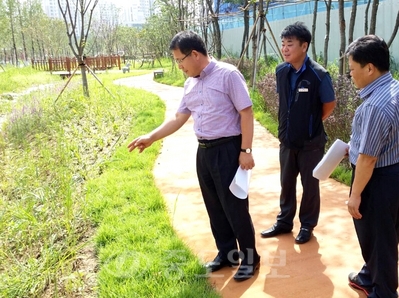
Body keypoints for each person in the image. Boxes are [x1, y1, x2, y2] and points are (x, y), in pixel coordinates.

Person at [127, 30, 260, 281]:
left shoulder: (227, 75)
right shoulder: (190, 83)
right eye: (176, 61)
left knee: (235, 207)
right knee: (215, 206)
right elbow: (179, 118)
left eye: (180, 60)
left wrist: (246, 150)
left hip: (229, 150)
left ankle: (251, 259)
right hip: (204, 152)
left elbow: (246, 112)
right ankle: (227, 253)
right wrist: (151, 137)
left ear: (195, 54)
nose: (179, 66)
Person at [260, 21, 336, 244]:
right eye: (283, 44)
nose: (285, 48)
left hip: (311, 142)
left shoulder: (319, 75)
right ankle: (284, 222)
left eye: (289, 44)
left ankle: (307, 226)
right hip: (287, 139)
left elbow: (329, 104)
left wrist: (311, 122)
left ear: (304, 46)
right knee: (286, 182)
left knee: (310, 185)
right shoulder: (281, 71)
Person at [345, 35, 399, 298]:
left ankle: (385, 291)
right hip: (394, 172)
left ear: (370, 68)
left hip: (377, 180)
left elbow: (368, 159)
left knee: (379, 239)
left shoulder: (376, 106)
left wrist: (355, 195)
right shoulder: (394, 89)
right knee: (386, 235)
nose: (350, 75)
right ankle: (370, 276)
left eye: (353, 69)